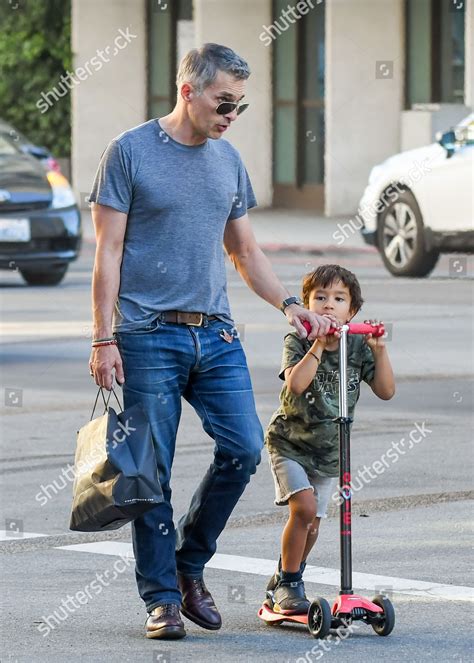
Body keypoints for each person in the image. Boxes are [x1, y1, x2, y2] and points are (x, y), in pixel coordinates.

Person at [88, 43, 335, 640]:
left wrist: (291, 307)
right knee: (151, 470)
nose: (231, 115)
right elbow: (109, 252)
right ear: (188, 91)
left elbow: (244, 250)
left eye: (240, 107)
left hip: (216, 335)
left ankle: (189, 563)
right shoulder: (129, 153)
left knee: (245, 449)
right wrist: (103, 339)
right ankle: (162, 599)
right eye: (224, 102)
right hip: (145, 334)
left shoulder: (227, 161)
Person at [264, 264, 395, 614]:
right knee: (303, 509)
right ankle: (291, 583)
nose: (327, 305)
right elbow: (296, 383)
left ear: (351, 312)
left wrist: (379, 349)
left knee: (313, 524)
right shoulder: (298, 339)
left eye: (338, 299)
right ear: (307, 304)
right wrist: (319, 344)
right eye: (319, 298)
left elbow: (386, 391)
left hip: (329, 450)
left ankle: (284, 575)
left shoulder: (357, 347)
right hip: (290, 443)